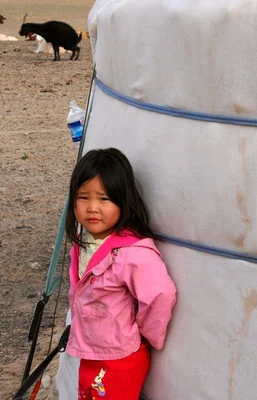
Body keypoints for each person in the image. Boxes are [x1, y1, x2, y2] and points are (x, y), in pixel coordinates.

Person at [64, 147, 177, 400]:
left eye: (104, 199)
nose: (93, 207)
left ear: (122, 201)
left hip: (119, 357)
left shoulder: (131, 253)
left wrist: (147, 335)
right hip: (91, 351)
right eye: (83, 197)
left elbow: (160, 294)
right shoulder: (86, 243)